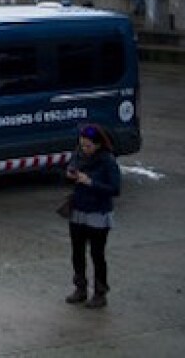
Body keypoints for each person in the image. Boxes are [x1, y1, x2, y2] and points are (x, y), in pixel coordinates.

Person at [63, 123, 121, 309]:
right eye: (82, 144)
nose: (84, 148)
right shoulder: (78, 154)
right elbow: (70, 166)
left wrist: (90, 182)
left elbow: (114, 189)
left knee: (97, 253)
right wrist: (70, 174)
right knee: (77, 251)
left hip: (98, 212)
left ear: (98, 145)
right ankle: (80, 288)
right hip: (79, 208)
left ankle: (100, 292)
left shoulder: (107, 161)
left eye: (88, 145)